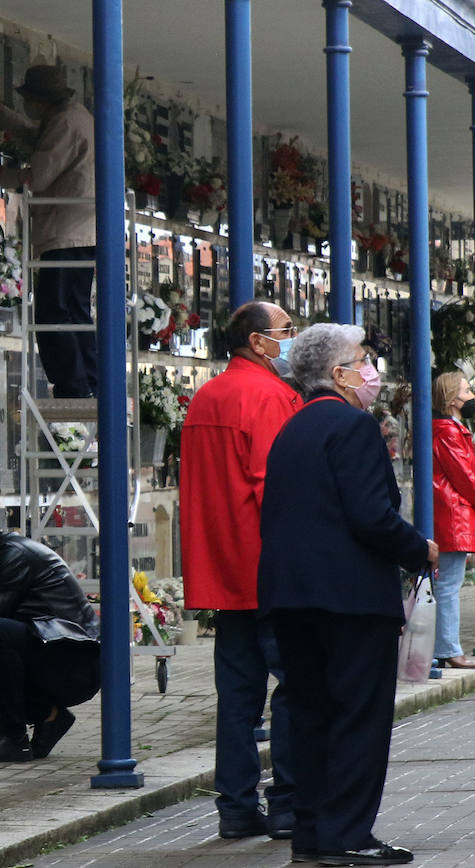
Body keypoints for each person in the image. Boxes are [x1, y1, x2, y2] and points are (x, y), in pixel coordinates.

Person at [259, 323, 436, 866]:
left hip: (292, 597)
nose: (371, 370)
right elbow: (370, 516)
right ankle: (348, 834)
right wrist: (419, 550)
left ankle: (311, 831)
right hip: (351, 598)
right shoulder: (353, 426)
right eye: (362, 360)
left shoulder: (293, 429)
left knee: (311, 716)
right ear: (337, 373)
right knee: (359, 717)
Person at [179, 301, 300, 840]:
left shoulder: (206, 396)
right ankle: (289, 803)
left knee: (237, 696)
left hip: (224, 571)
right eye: (286, 331)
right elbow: (276, 486)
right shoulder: (270, 395)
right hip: (269, 566)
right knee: (298, 685)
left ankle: (234, 807)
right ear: (257, 341)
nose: (292, 340)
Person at [0, 501, 100, 762]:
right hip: (42, 654)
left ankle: (13, 737)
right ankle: (48, 714)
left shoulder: (13, 555)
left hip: (77, 661)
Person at [0, 65, 96, 398]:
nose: (28, 106)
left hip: (64, 232)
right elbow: (38, 135)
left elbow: (40, 175)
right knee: (75, 311)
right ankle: (89, 381)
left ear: (38, 99)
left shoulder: (64, 122)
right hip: (82, 231)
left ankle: (72, 386)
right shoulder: (73, 116)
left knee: (53, 311)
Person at [430, 372, 475, 669]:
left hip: (449, 509)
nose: (471, 397)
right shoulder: (450, 431)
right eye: (466, 391)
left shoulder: (446, 429)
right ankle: (448, 648)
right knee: (448, 585)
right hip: (453, 512)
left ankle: (445, 647)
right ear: (451, 398)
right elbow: (464, 477)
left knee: (445, 583)